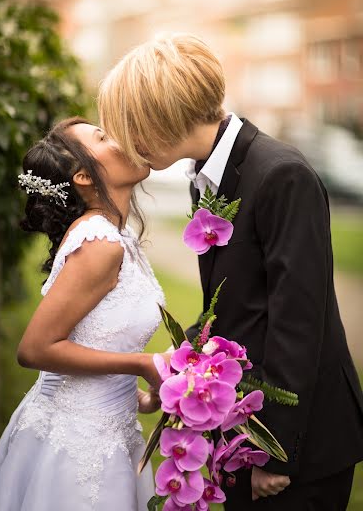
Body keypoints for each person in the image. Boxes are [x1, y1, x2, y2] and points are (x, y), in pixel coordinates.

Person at [99, 33, 363, 511]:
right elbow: (236, 306)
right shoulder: (210, 177)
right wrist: (182, 377)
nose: (127, 144)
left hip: (299, 444)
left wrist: (272, 451)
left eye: (131, 127)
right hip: (243, 432)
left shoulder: (282, 175)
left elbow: (298, 324)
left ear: (163, 115)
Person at [0, 116, 166, 511]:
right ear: (82, 176)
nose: (123, 137)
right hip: (74, 447)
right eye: (102, 136)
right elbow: (35, 349)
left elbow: (97, 335)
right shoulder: (99, 244)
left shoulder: (119, 237)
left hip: (109, 433)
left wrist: (141, 399)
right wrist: (142, 363)